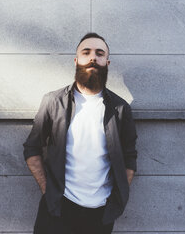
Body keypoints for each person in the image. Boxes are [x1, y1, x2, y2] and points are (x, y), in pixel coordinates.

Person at [23, 32, 138, 234]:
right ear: (76, 61)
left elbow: (129, 158)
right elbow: (32, 149)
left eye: (99, 53)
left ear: (107, 62)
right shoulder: (54, 101)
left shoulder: (120, 109)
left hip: (101, 214)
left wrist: (116, 199)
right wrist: (49, 191)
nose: (93, 57)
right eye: (86, 52)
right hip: (57, 209)